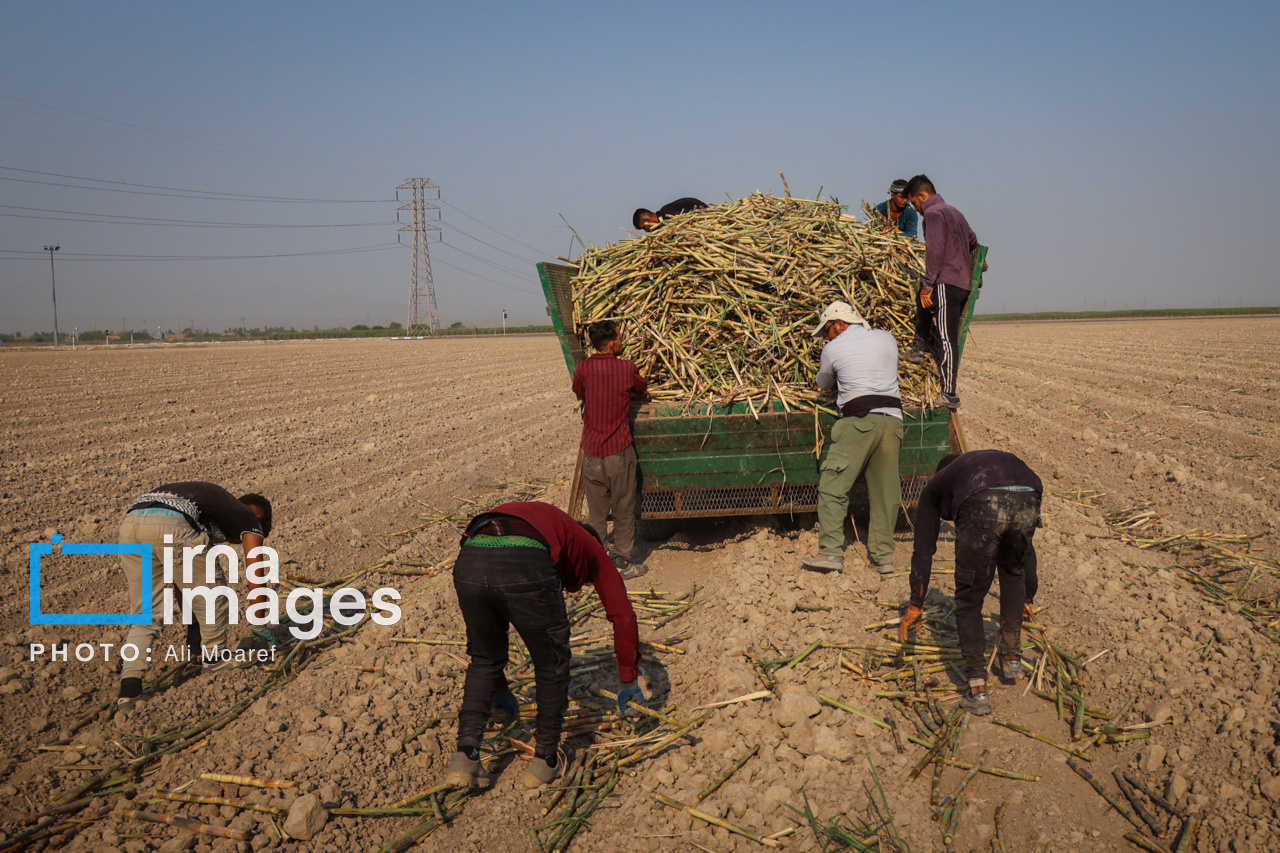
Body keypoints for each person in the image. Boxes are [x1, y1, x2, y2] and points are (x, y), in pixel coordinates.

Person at [443, 501, 643, 790]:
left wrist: (499, 687)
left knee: (484, 660)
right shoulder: (591, 547)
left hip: (470, 559)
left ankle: (466, 757)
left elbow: (485, 649)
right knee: (551, 664)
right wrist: (628, 678)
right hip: (525, 564)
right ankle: (545, 760)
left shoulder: (549, 523)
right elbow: (622, 615)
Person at [899, 450, 1042, 715]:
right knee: (1012, 571)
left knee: (968, 597)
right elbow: (1025, 555)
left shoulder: (936, 486)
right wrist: (1027, 596)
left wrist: (916, 603)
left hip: (983, 502)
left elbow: (923, 550)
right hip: (1028, 494)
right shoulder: (986, 464)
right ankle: (1011, 657)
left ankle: (977, 690)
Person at [115, 482, 272, 720]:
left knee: (146, 613)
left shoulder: (208, 509)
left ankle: (129, 691)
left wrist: (194, 629)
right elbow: (255, 576)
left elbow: (183, 581)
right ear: (258, 518)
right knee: (215, 593)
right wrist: (260, 628)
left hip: (132, 522)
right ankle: (216, 660)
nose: (236, 544)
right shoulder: (248, 518)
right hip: (170, 524)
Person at [800, 302, 903, 575]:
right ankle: (883, 559)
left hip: (859, 420)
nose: (826, 338)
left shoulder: (833, 349)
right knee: (885, 493)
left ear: (840, 323)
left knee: (833, 486)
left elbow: (823, 384)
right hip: (893, 421)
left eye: (827, 332)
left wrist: (833, 366)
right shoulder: (887, 338)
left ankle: (831, 553)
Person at [571, 320, 648, 579]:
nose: (622, 341)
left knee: (597, 513)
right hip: (618, 451)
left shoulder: (583, 368)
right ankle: (623, 563)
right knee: (624, 509)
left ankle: (598, 563)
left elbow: (578, 391)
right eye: (621, 338)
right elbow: (642, 388)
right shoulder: (626, 368)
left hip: (592, 454)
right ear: (613, 343)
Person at [903, 175, 979, 410]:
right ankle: (919, 346)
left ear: (923, 196)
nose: (916, 210)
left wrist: (928, 285)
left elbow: (934, 253)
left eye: (915, 204)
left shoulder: (934, 215)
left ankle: (949, 394)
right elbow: (974, 241)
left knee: (947, 338)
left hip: (946, 284)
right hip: (962, 283)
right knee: (923, 300)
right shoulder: (955, 212)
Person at [632, 197, 708, 232]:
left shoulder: (666, 213)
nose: (646, 231)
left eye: (644, 228)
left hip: (704, 214)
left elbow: (683, 223)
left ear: (647, 220)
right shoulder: (663, 222)